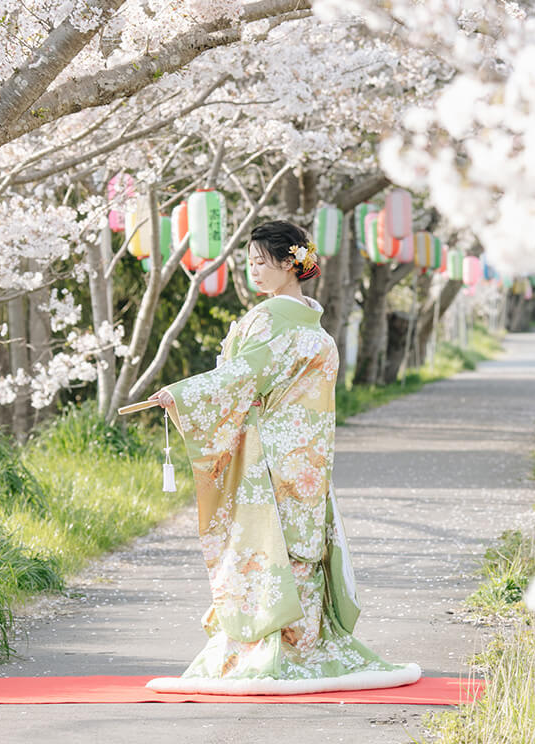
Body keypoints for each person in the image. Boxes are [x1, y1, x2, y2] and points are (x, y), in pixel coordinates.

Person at [144, 220, 420, 695]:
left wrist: (182, 395)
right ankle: (306, 645)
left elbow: (239, 377)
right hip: (310, 456)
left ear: (291, 263)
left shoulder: (268, 319)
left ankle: (264, 650)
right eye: (248, 262)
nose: (253, 271)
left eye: (261, 261)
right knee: (300, 547)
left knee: (268, 547)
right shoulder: (314, 323)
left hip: (270, 454)